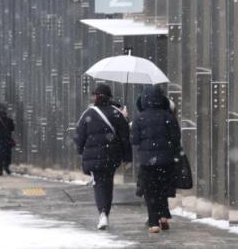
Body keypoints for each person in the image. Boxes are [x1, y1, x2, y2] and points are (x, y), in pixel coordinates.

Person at [74, 83, 132, 230]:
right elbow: (125, 137)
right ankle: (105, 212)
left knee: (99, 183)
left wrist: (81, 150)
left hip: (93, 157)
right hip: (111, 156)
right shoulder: (117, 114)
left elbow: (79, 137)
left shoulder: (88, 114)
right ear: (109, 97)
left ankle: (102, 213)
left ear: (96, 97)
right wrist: (127, 158)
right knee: (108, 184)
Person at [131, 86, 181, 233]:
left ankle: (153, 222)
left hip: (147, 162)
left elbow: (134, 140)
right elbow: (176, 138)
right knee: (161, 189)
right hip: (166, 160)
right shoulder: (168, 117)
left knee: (150, 191)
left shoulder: (139, 118)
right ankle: (163, 216)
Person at [0, 110, 15, 176]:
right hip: (7, 141)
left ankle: (0, 170)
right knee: (7, 155)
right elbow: (12, 129)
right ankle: (6, 167)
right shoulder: (10, 120)